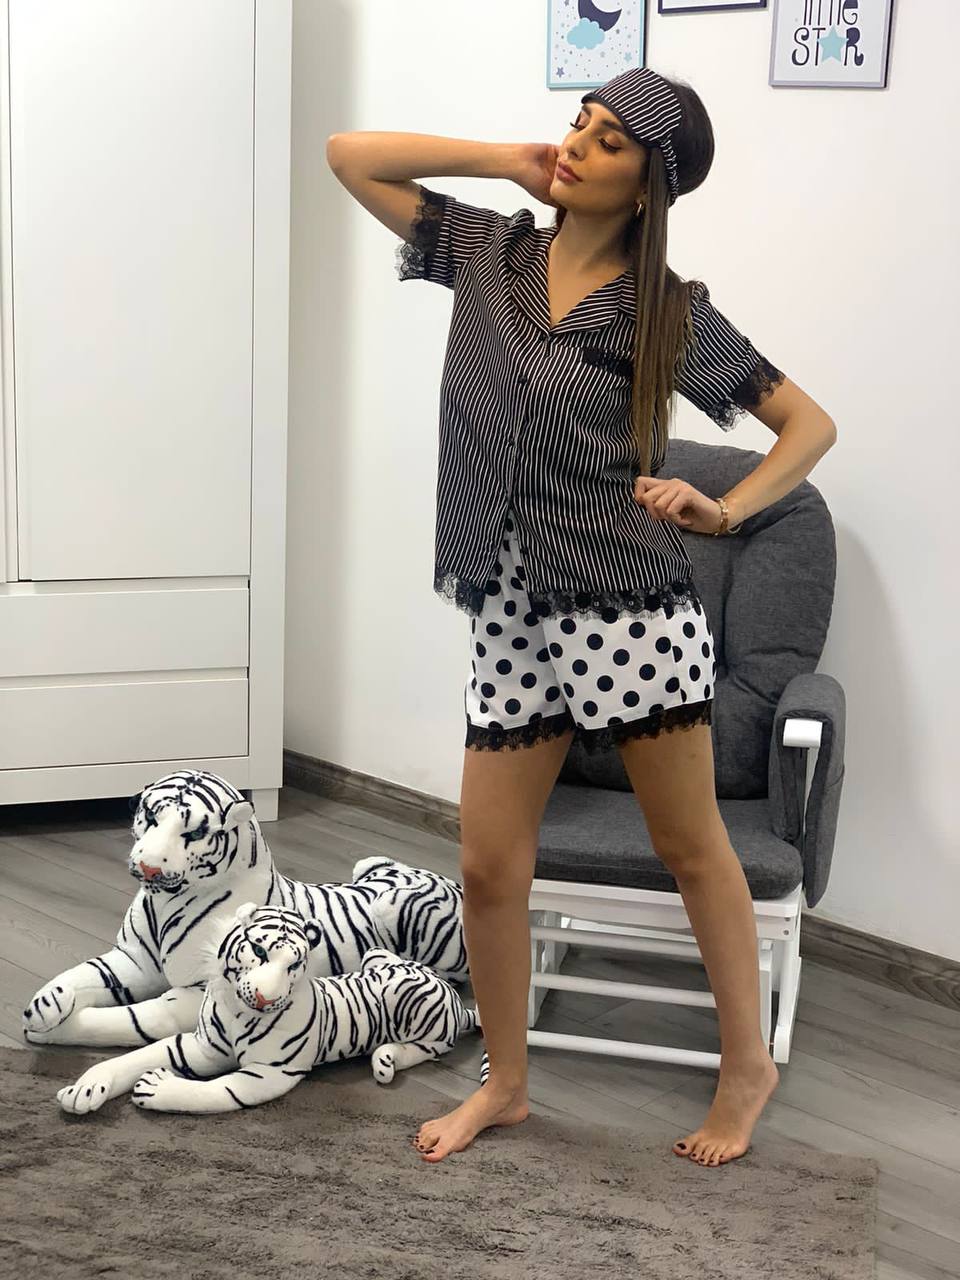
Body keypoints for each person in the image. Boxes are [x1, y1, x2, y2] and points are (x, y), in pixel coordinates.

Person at [326, 66, 837, 1168]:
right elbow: (348, 154)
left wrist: (728, 505)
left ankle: (747, 1066)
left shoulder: (671, 314)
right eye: (579, 123)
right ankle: (505, 1081)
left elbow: (806, 424)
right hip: (508, 604)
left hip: (627, 607)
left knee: (692, 847)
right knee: (487, 867)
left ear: (651, 184)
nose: (578, 144)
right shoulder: (489, 252)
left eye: (609, 141)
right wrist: (504, 161)